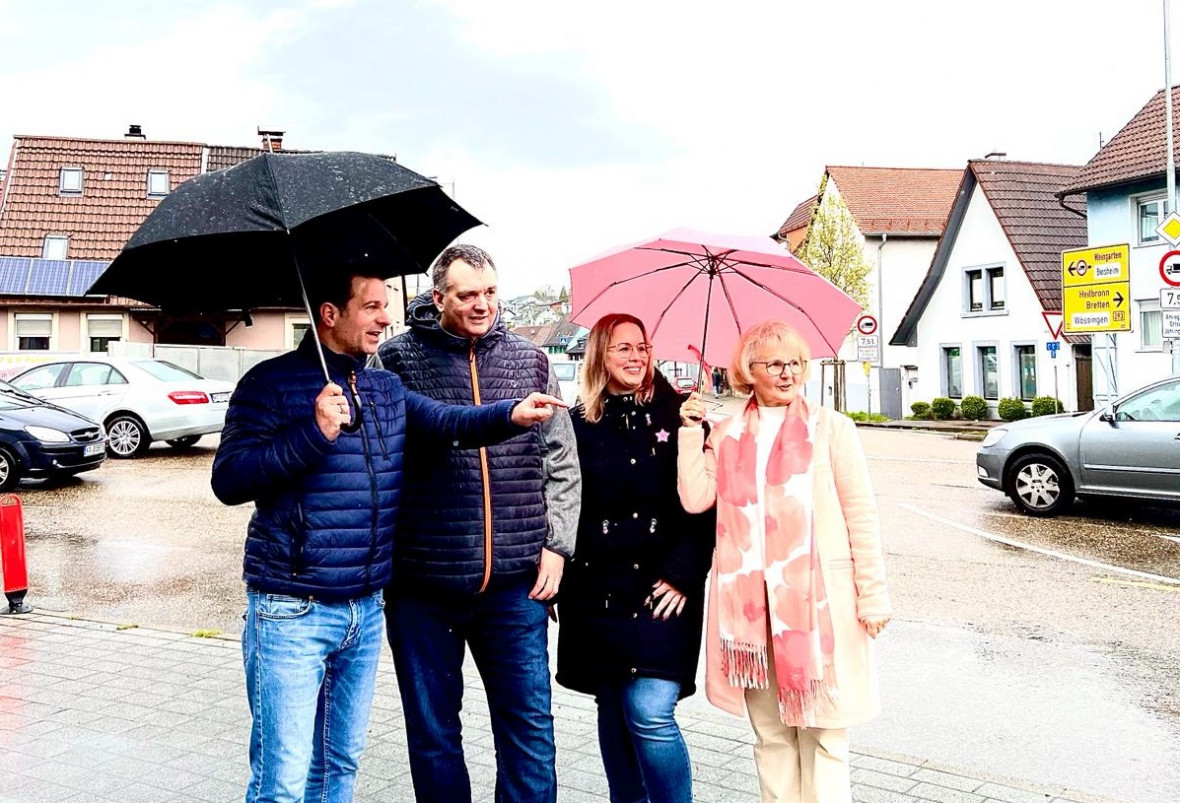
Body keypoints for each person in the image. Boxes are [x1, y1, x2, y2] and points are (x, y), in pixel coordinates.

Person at [211, 264, 564, 803]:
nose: (386, 318)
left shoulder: (383, 387)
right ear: (330, 314)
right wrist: (315, 431)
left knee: (338, 765)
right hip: (291, 610)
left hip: (363, 608)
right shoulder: (269, 383)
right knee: (281, 777)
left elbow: (447, 423)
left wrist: (510, 415)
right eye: (372, 306)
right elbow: (230, 480)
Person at [376, 244, 581, 803]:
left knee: (530, 733)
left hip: (516, 584)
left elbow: (561, 460)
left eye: (490, 292)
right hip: (422, 587)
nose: (482, 304)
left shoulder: (529, 359)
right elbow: (378, 458)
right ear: (438, 297)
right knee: (434, 735)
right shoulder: (394, 362)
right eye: (468, 295)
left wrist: (557, 545)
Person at [676, 319, 892, 803]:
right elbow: (695, 499)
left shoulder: (830, 428)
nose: (788, 372)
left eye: (795, 362)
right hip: (753, 615)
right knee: (771, 736)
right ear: (748, 371)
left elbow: (861, 513)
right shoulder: (726, 433)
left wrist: (873, 596)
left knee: (826, 734)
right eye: (774, 363)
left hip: (821, 612)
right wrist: (691, 432)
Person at [555, 313, 715, 803]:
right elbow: (562, 499)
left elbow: (704, 507)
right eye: (623, 347)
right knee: (613, 707)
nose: (636, 356)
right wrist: (561, 574)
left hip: (662, 589)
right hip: (596, 590)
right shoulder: (577, 422)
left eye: (642, 347)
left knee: (649, 709)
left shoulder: (680, 416)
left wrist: (684, 575)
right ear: (600, 354)